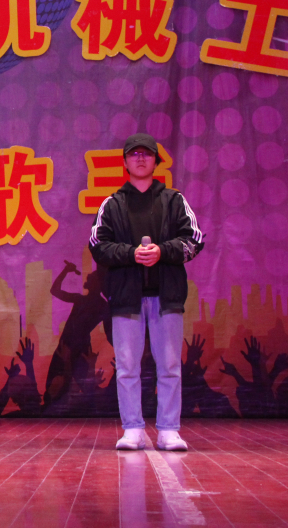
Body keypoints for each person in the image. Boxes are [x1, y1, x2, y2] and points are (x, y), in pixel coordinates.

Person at [89, 133, 204, 451]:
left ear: (156, 161)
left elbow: (195, 239)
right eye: (134, 154)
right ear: (125, 162)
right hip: (126, 298)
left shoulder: (174, 201)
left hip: (166, 298)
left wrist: (162, 251)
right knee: (127, 367)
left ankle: (169, 430)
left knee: (169, 366)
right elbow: (97, 245)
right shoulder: (112, 204)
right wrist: (131, 254)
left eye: (147, 154)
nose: (140, 158)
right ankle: (132, 429)